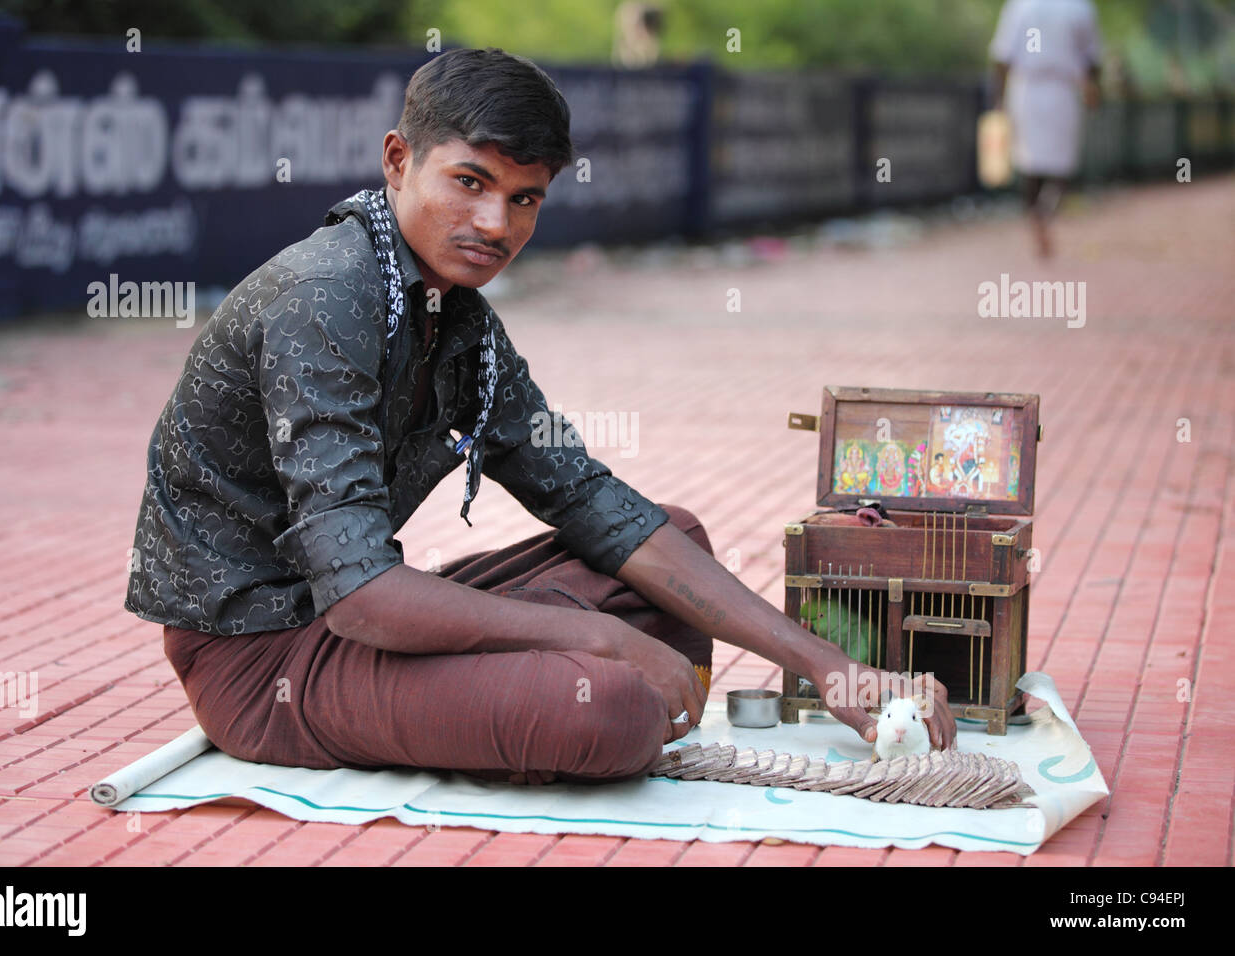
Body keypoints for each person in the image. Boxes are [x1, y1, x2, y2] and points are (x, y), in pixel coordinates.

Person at [125, 47, 955, 787]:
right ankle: (595, 699)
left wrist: (836, 671)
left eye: (525, 199)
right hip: (263, 664)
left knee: (676, 538)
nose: (495, 225)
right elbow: (364, 601)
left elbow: (593, 503)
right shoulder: (327, 295)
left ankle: (580, 687)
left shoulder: (459, 320)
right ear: (397, 160)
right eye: (470, 183)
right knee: (608, 709)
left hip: (353, 629)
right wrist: (597, 643)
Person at [989, 0, 1103, 258]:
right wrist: (1095, 90)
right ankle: (1044, 212)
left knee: (1032, 163)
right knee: (1060, 165)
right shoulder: (1080, 7)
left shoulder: (1021, 6)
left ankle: (1036, 215)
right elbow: (1092, 57)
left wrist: (998, 101)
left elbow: (1001, 57)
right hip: (1061, 90)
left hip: (1028, 91)